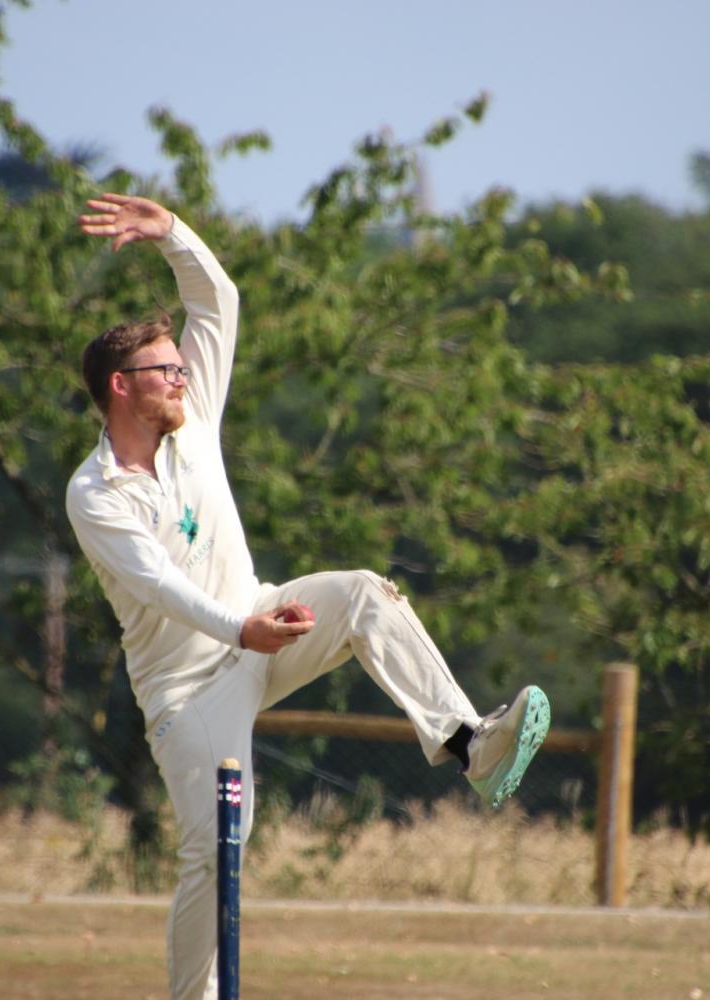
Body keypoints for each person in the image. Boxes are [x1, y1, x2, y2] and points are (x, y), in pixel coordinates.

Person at [65, 192, 552, 1000]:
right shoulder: (96, 493)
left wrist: (174, 235)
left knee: (364, 594)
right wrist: (239, 628)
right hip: (188, 690)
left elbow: (218, 303)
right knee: (220, 842)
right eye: (165, 369)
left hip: (264, 620)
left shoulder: (194, 421)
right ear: (121, 386)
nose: (184, 375)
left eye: (183, 367)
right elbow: (158, 583)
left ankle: (469, 743)